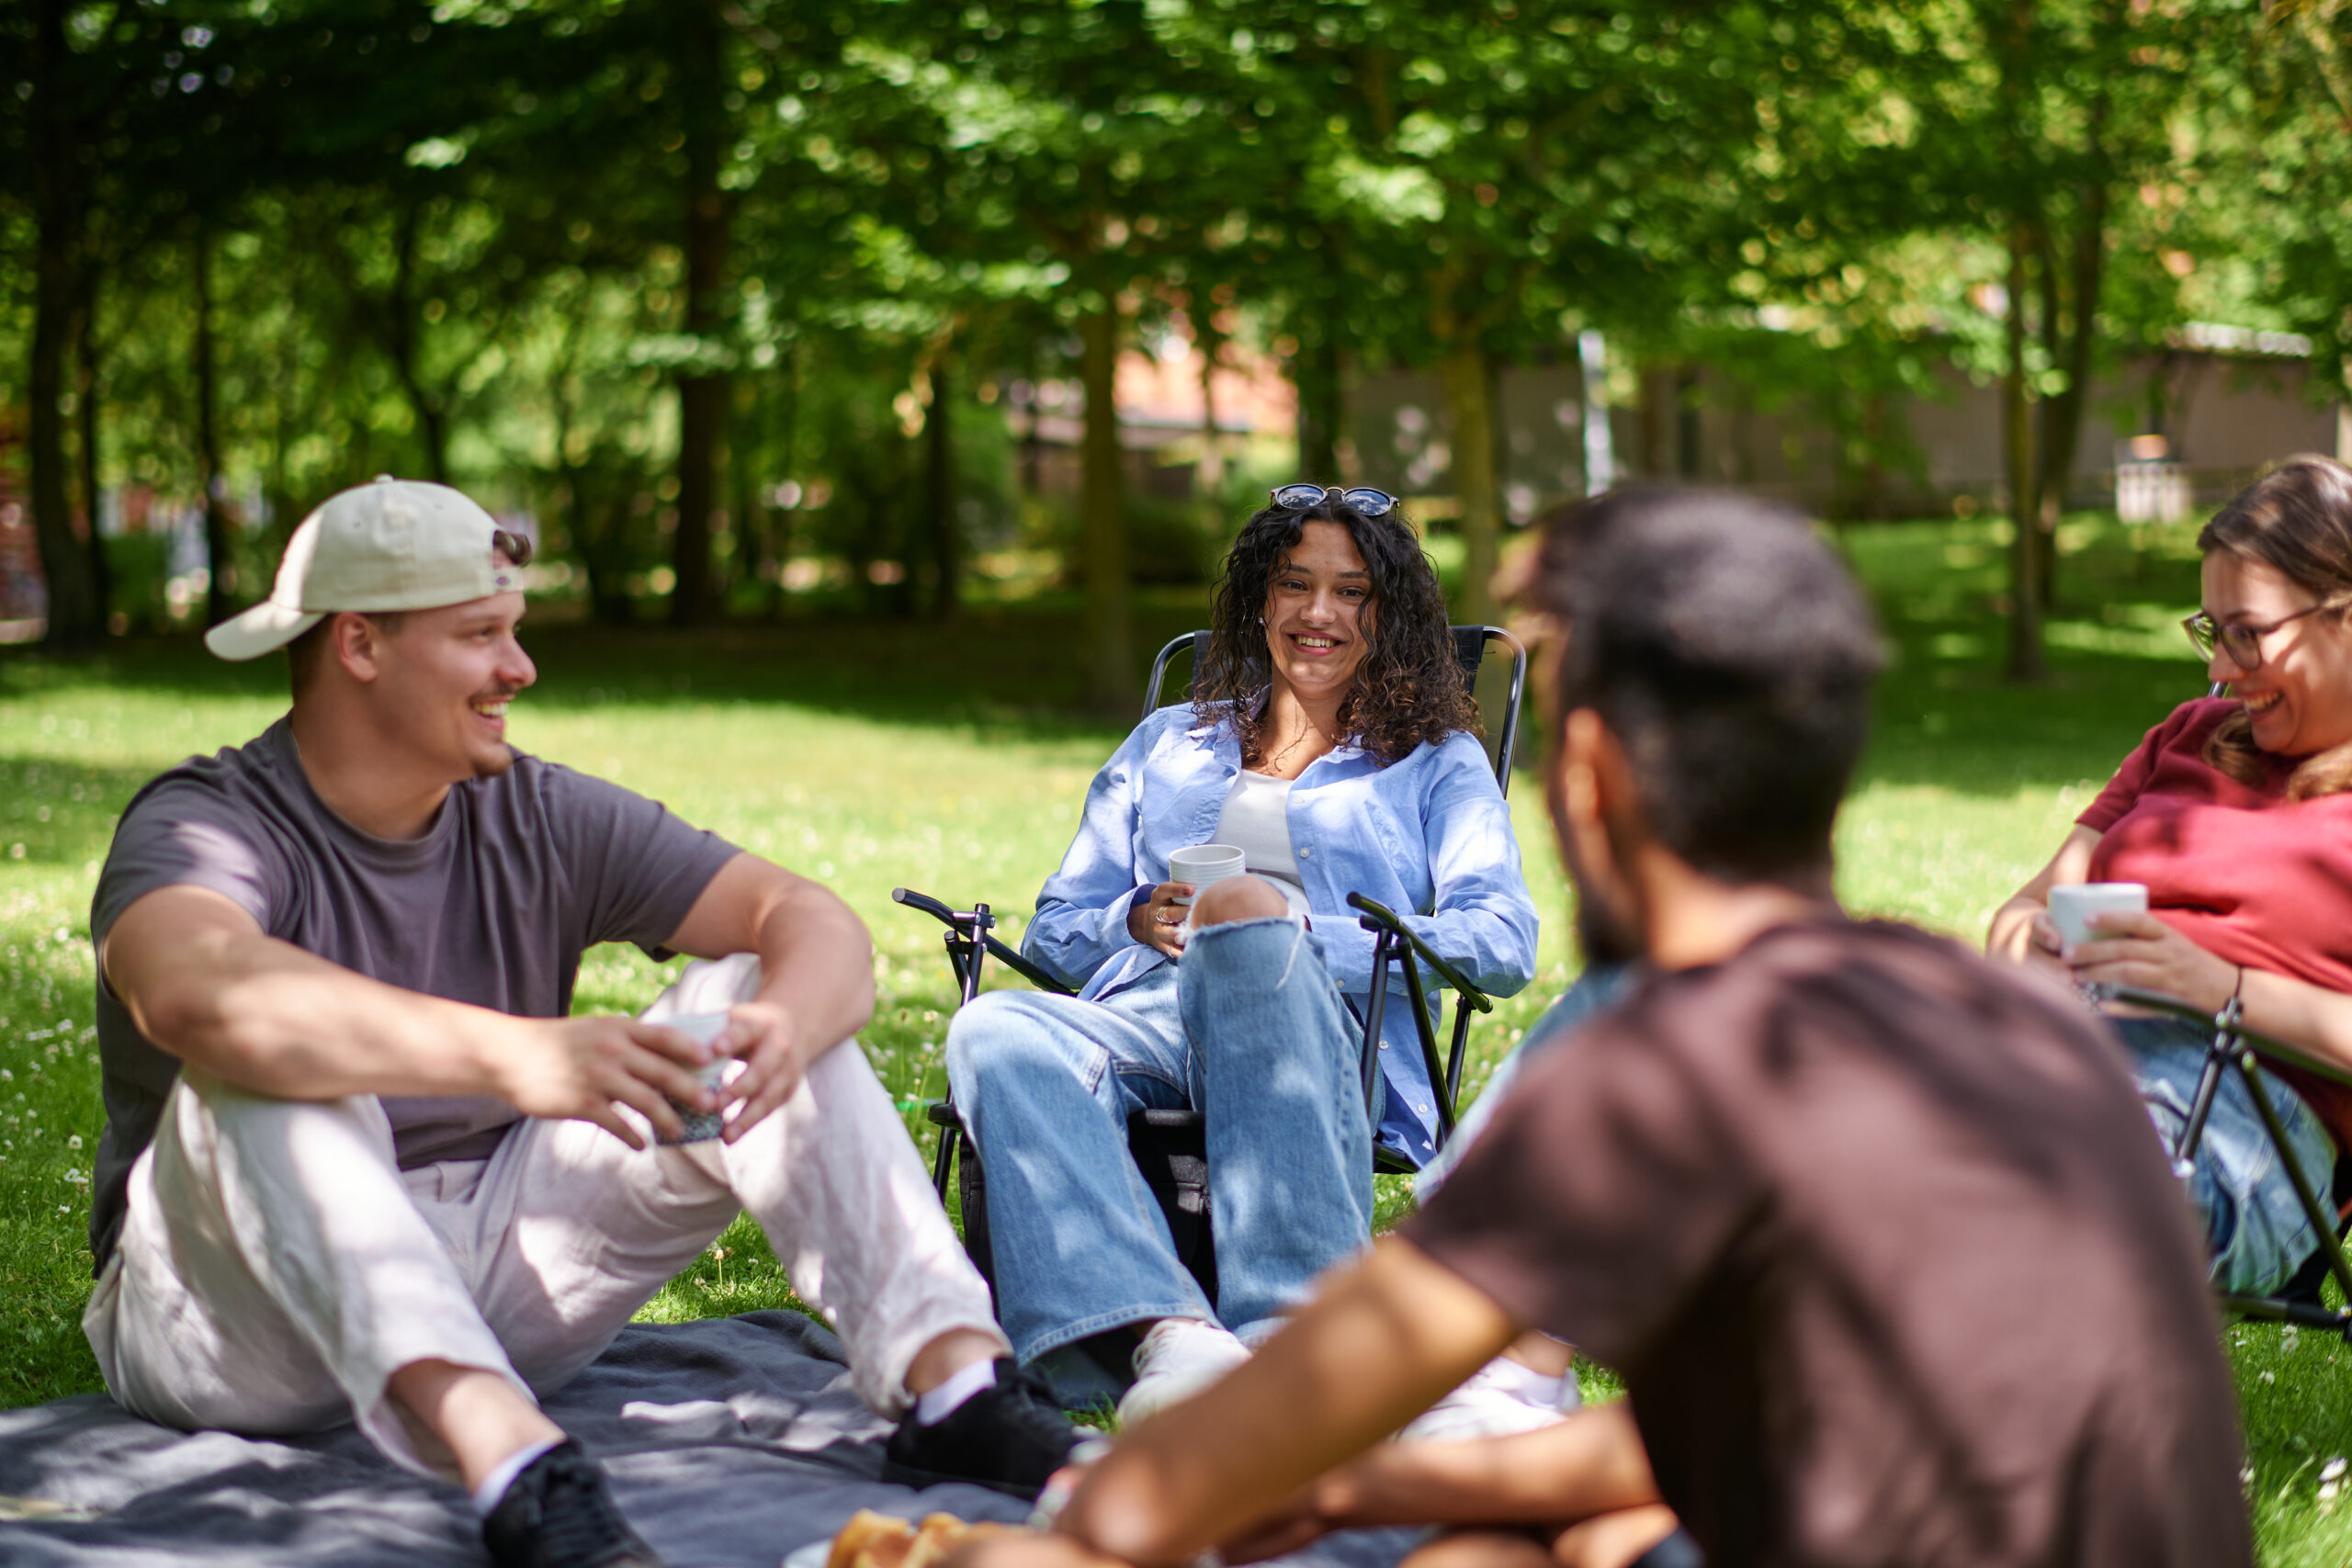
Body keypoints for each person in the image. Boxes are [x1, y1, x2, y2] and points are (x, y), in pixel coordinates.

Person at [949, 489, 2250, 1568]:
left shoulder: (1662, 1054)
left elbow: (1317, 1394)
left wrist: (1067, 1535)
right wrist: (1353, 1490)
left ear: (1590, 775)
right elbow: (1727, 1435)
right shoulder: (2017, 1022)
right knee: (1494, 1544)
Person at [84, 479, 1078, 1568]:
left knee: (754, 984)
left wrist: (783, 1029)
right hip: (230, 1329)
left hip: (498, 1275)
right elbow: (197, 994)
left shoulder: (535, 810)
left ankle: (953, 1389)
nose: (522, 669)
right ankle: (520, 1468)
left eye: (513, 633)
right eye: (482, 637)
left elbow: (809, 919)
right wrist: (523, 1057)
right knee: (261, 1062)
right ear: (359, 646)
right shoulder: (202, 823)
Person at [942, 485, 1540, 1426]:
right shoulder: (1167, 745)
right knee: (992, 1028)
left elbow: (1502, 942)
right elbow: (1057, 928)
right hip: (1146, 1019)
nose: (1318, 614)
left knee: (1250, 919)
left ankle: (1285, 1337)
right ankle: (1168, 1334)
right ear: (1258, 601)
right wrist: (1133, 916)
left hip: (1318, 1029)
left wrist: (1291, 931)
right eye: (1295, 585)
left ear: (1387, 616)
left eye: (1351, 594)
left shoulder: (1434, 761)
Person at [1990, 454, 2352, 1296]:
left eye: (2249, 633)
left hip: (2236, 1117)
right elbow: (2025, 908)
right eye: (2211, 631)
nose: (2221, 669)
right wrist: (2026, 948)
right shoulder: (2190, 734)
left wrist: (2220, 987)